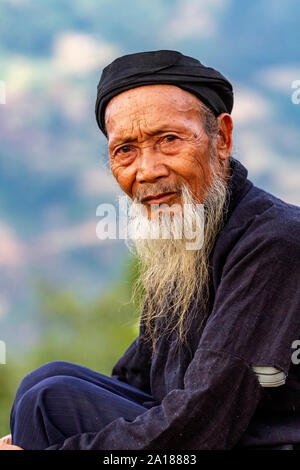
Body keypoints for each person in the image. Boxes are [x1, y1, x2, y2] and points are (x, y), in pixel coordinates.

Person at [1, 50, 300, 451]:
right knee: (46, 386)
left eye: (169, 140)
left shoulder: (272, 241)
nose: (147, 170)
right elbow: (134, 381)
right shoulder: (187, 234)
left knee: (47, 403)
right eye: (125, 150)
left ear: (222, 138)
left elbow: (205, 419)